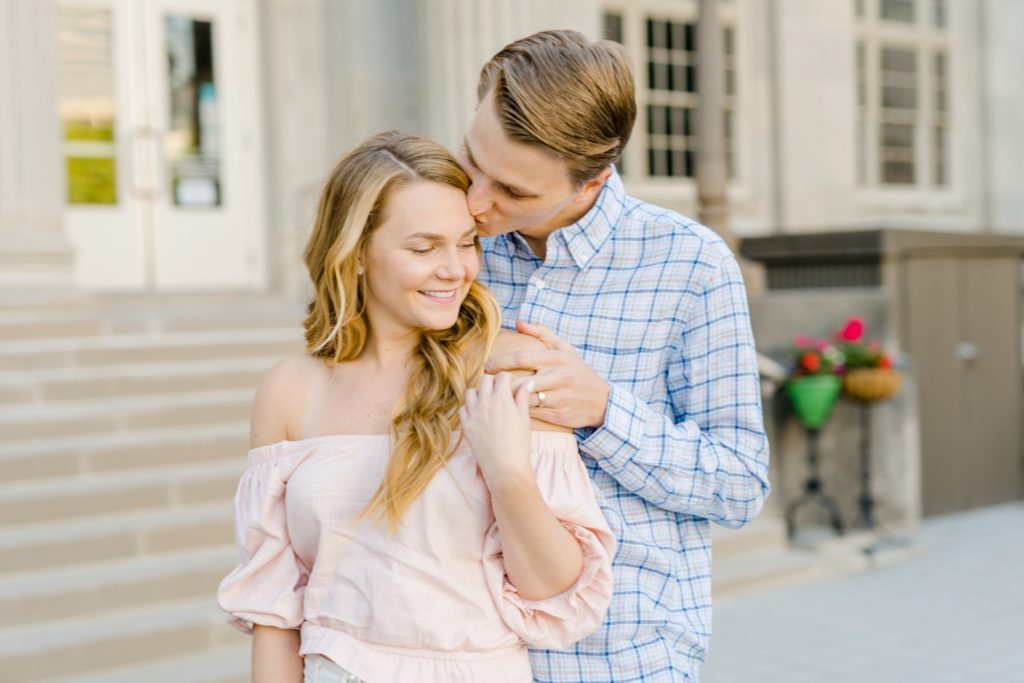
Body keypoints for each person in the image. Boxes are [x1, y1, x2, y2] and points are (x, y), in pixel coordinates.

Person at [217, 131, 615, 683]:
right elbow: (274, 612)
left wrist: (508, 473)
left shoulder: (512, 371)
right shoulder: (290, 389)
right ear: (357, 253)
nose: (455, 269)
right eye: (424, 249)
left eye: (465, 243)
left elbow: (556, 593)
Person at [456, 30, 771, 682]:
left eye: (512, 191)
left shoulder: (691, 263)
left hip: (618, 657)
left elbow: (740, 484)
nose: (476, 201)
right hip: (463, 649)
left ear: (591, 182)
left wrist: (603, 412)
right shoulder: (446, 248)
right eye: (470, 159)